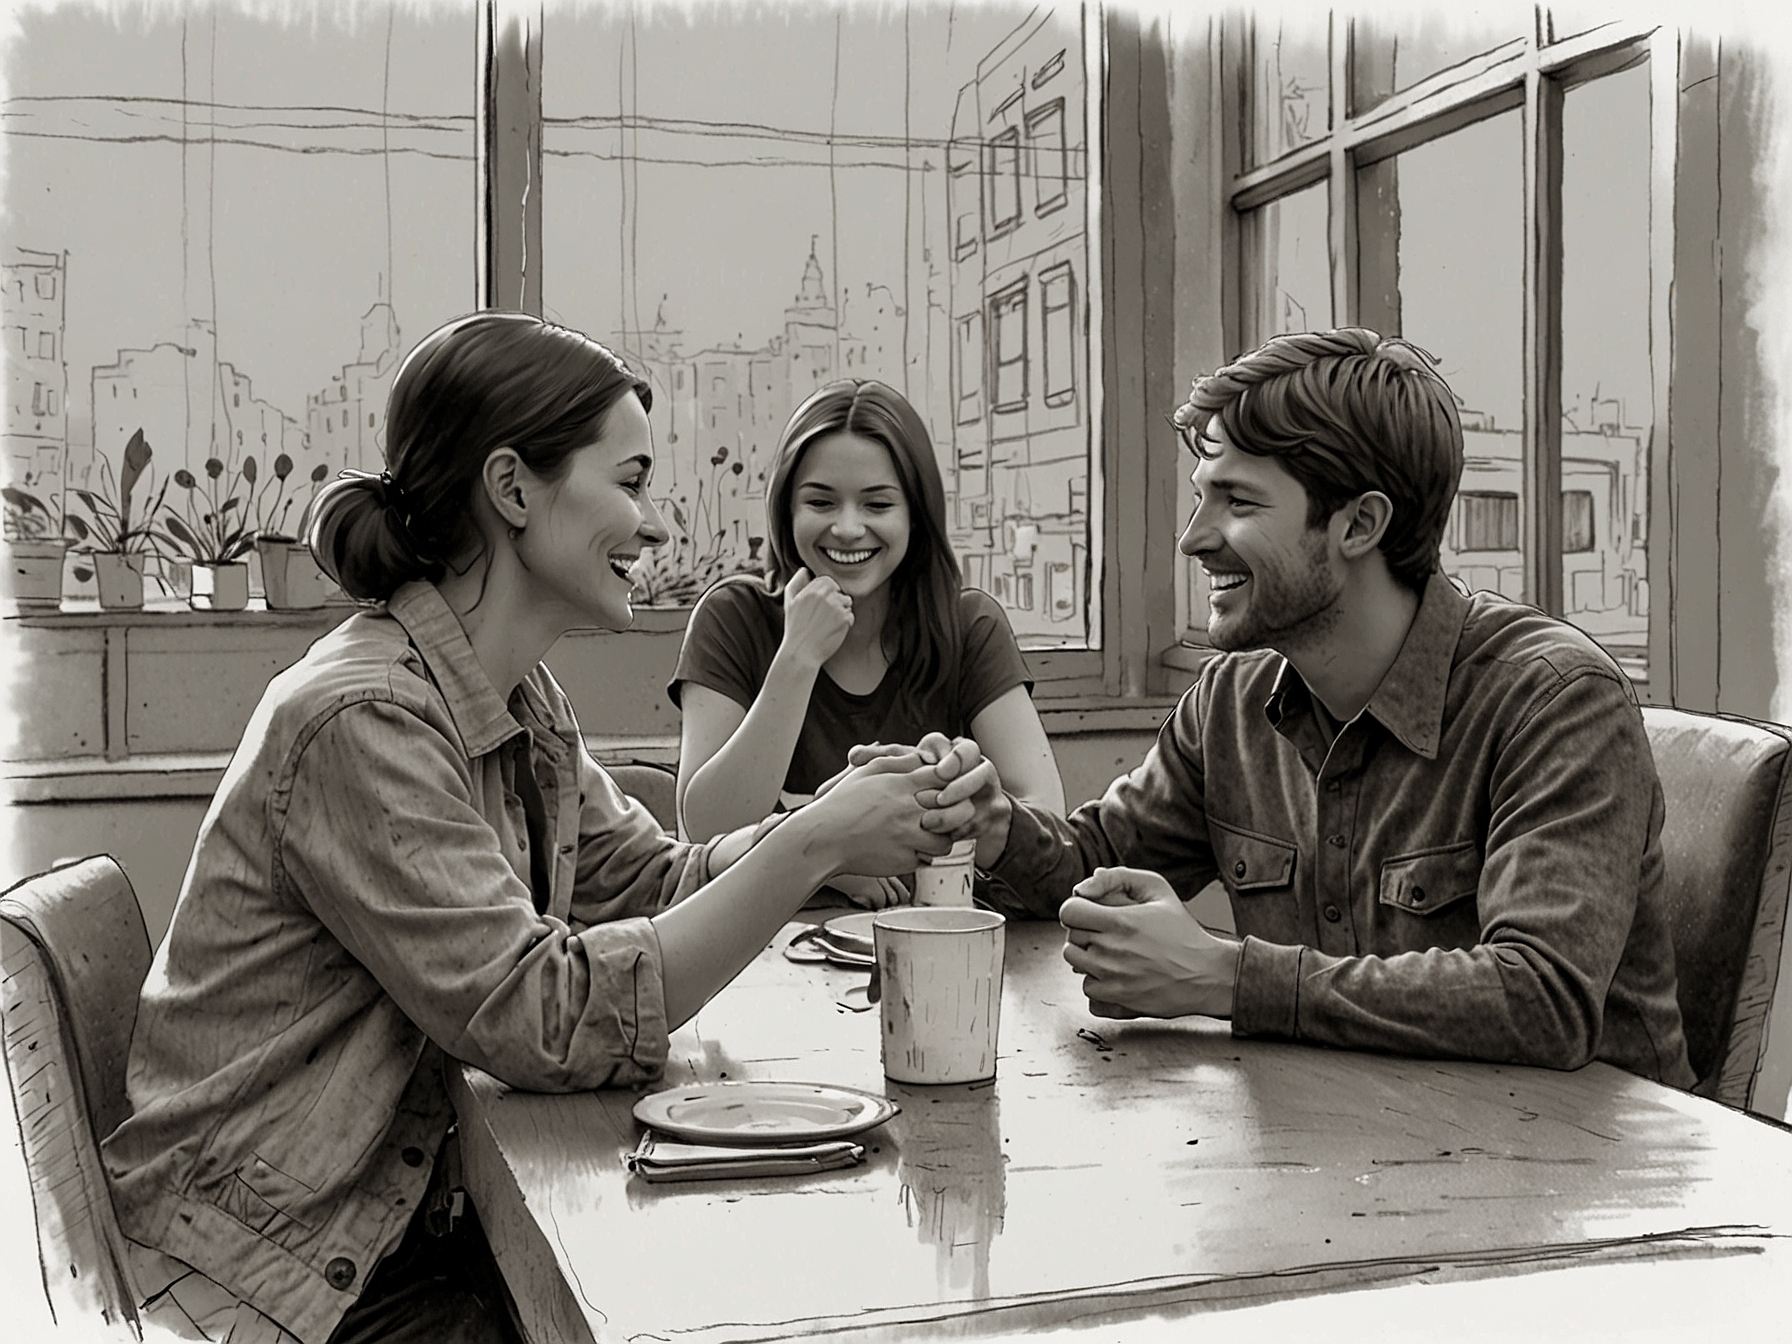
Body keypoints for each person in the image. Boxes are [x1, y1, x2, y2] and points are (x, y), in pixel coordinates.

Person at [99, 313, 976, 1344]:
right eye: (632, 482)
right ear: (513, 489)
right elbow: (542, 1018)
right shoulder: (362, 717)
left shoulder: (513, 696)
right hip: (272, 1278)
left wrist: (827, 821)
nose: (653, 527)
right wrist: (814, 846)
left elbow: (652, 882)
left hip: (384, 1237)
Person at [920, 327, 1694, 1085]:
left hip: (1594, 1182)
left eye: (1239, 503)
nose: (1194, 540)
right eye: (1202, 499)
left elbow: (1540, 1000)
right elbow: (1093, 865)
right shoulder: (1232, 700)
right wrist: (994, 827)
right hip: (1354, 1159)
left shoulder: (1557, 703)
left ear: (1360, 524)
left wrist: (1226, 978)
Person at [670, 377, 1063, 907]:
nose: (848, 528)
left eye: (877, 505)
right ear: (787, 511)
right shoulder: (732, 619)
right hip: (761, 959)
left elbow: (1044, 823)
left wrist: (937, 799)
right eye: (821, 502)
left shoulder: (970, 626)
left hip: (936, 945)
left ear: (915, 515)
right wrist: (798, 656)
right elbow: (707, 832)